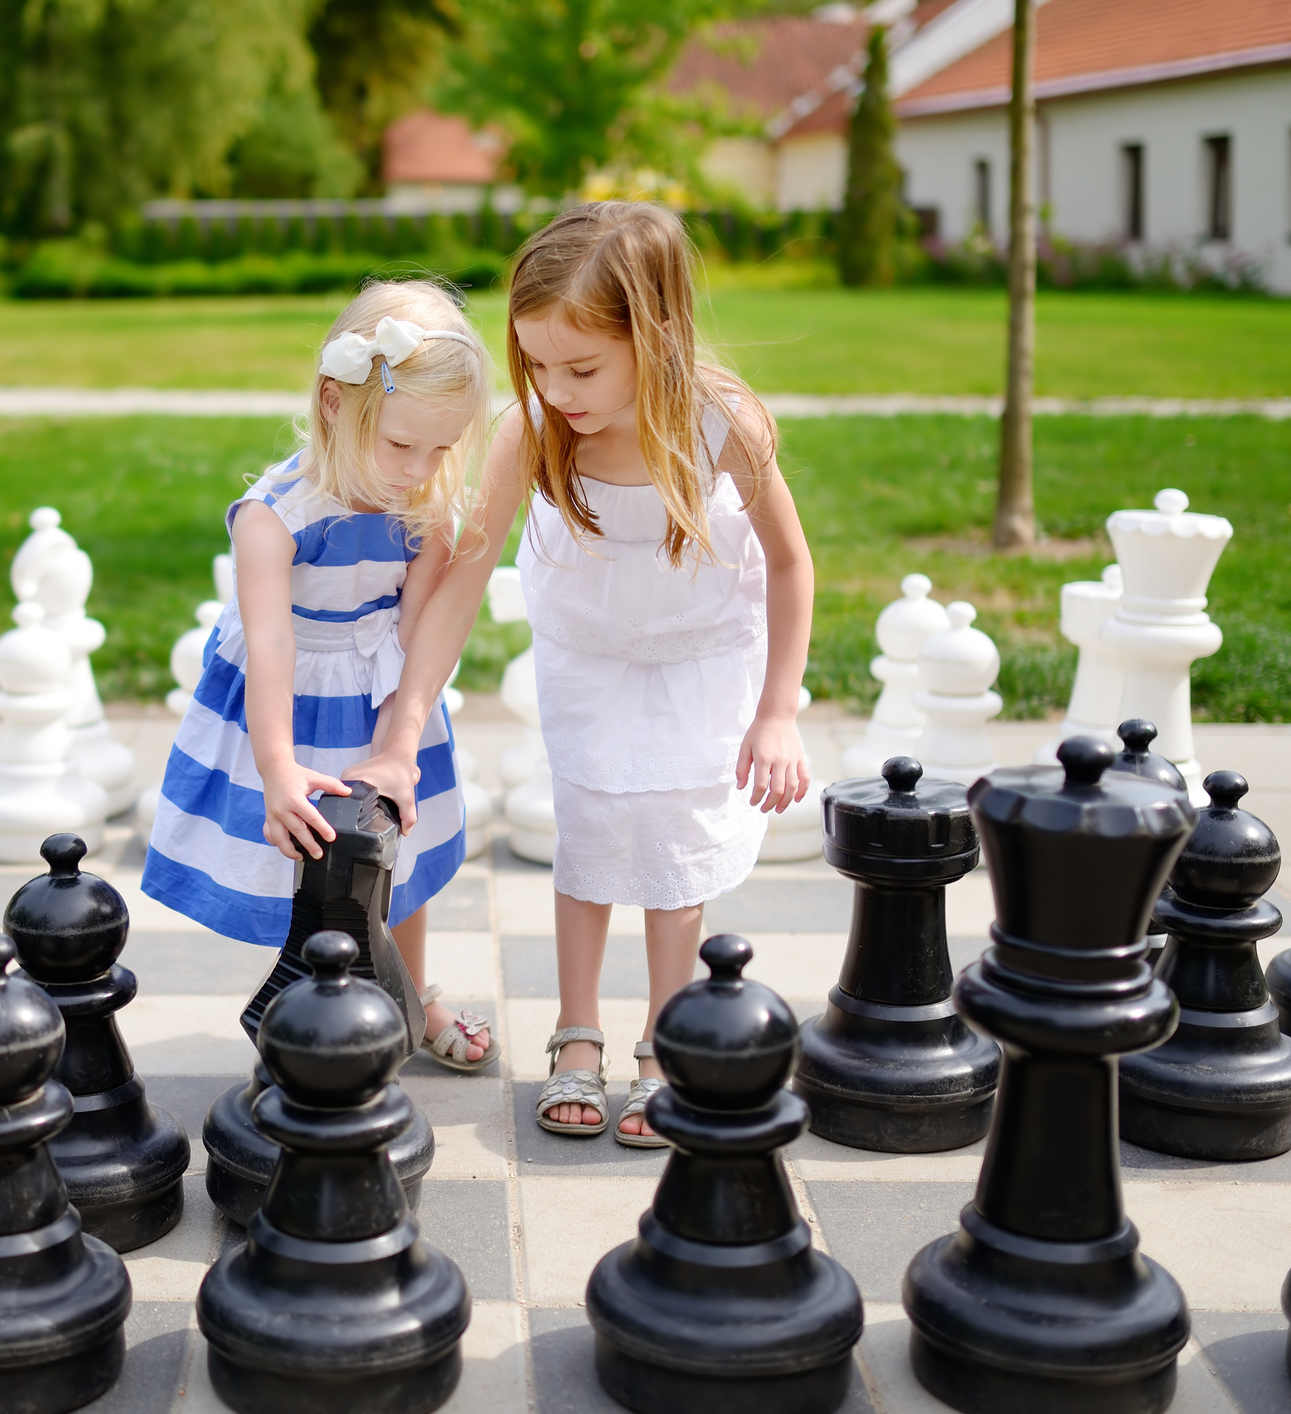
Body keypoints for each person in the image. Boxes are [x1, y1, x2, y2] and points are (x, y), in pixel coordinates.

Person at [352, 203, 816, 1143]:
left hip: (701, 651)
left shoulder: (725, 423)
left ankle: (659, 1037)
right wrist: (403, 726)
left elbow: (792, 564)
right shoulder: (536, 431)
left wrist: (778, 710)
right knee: (594, 820)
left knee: (677, 833)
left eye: (581, 367)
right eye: (537, 364)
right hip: (590, 653)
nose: (556, 387)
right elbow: (463, 577)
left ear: (656, 334)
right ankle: (576, 1033)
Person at [142, 280, 500, 1072]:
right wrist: (276, 767)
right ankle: (315, 1009)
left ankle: (410, 996)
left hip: (380, 695)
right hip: (287, 710)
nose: (420, 470)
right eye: (402, 446)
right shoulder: (274, 516)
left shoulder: (425, 504)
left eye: (442, 449)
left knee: (391, 862)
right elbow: (269, 644)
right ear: (335, 404)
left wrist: (395, 745)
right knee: (300, 874)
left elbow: (417, 636)